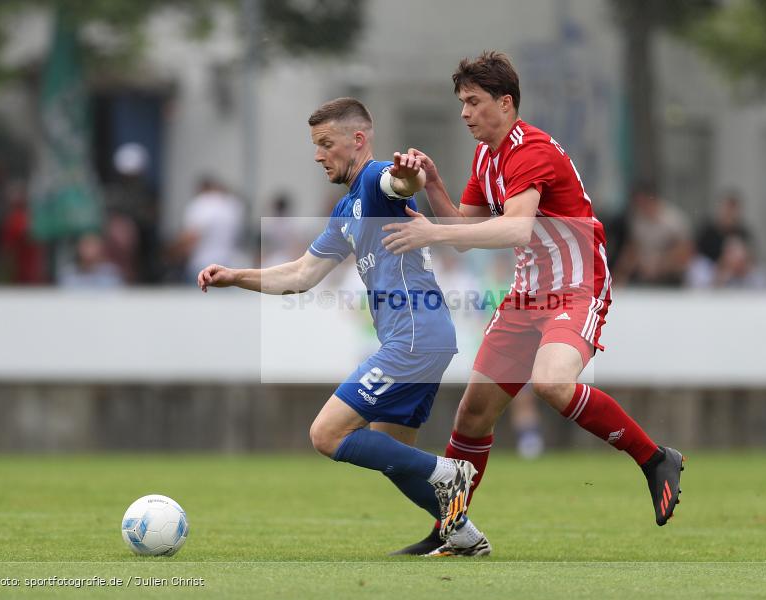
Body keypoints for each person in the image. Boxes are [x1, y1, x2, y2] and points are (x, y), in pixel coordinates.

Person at [382, 51, 684, 556]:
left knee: (551, 382)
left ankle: (654, 458)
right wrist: (433, 183)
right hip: (526, 295)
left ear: (505, 102)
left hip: (577, 286)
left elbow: (517, 227)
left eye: (474, 102)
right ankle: (452, 532)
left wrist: (429, 230)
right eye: (461, 103)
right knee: (471, 419)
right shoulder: (485, 156)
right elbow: (463, 233)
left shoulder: (531, 150)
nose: (464, 113)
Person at [197, 98, 489, 554]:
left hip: (413, 337)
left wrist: (410, 173)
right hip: (423, 337)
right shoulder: (346, 209)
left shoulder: (374, 180)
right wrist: (236, 276)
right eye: (316, 145)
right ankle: (461, 533)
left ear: (357, 139)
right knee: (390, 453)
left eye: (325, 144)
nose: (318, 155)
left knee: (327, 434)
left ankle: (446, 472)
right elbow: (300, 275)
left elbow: (400, 182)